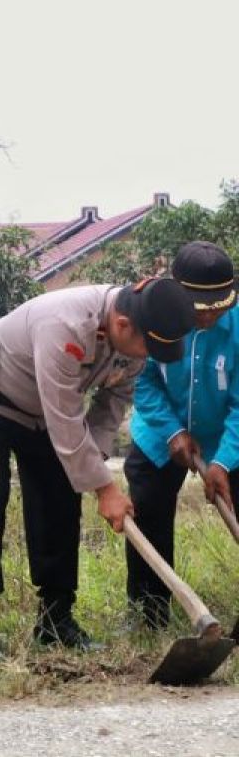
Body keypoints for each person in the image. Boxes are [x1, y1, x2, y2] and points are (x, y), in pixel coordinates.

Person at [0, 278, 195, 661]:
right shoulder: (63, 323)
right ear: (123, 324)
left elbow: (109, 411)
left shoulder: (136, 344)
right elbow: (65, 416)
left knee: (60, 502)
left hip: (40, 414)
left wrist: (94, 472)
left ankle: (55, 620)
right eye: (150, 346)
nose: (150, 356)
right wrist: (104, 487)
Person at [126, 242, 239, 628]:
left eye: (217, 308)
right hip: (161, 430)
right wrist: (173, 431)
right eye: (199, 310)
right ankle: (148, 612)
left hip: (226, 435)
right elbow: (142, 382)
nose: (208, 318)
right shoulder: (155, 316)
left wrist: (223, 460)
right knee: (148, 509)